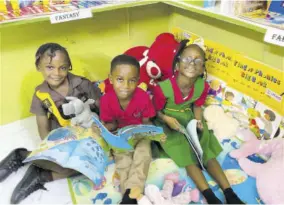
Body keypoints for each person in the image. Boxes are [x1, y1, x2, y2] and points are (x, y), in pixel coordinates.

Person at [0, 43, 101, 204]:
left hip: (86, 132)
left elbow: (102, 109)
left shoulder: (83, 84)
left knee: (92, 165)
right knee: (69, 162)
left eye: (63, 67)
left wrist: (97, 130)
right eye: (49, 67)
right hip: (61, 135)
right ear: (38, 67)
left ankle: (41, 175)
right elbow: (43, 130)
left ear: (69, 67)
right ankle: (22, 156)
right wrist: (54, 149)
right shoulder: (40, 94)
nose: (57, 73)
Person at [151, 40, 244, 204]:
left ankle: (231, 195)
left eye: (197, 61)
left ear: (202, 68)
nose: (192, 64)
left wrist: (198, 120)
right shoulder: (163, 88)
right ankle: (211, 197)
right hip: (169, 121)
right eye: (187, 59)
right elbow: (155, 112)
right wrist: (166, 119)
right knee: (185, 153)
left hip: (189, 118)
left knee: (205, 148)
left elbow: (197, 105)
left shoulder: (202, 85)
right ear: (177, 64)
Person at [99, 54, 164, 204]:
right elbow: (110, 125)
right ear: (111, 78)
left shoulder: (142, 97)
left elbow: (147, 122)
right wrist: (103, 128)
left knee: (143, 155)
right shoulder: (106, 100)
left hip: (140, 134)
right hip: (120, 137)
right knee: (123, 162)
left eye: (132, 80)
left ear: (138, 81)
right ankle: (129, 196)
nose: (126, 86)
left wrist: (155, 134)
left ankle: (130, 194)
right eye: (120, 79)